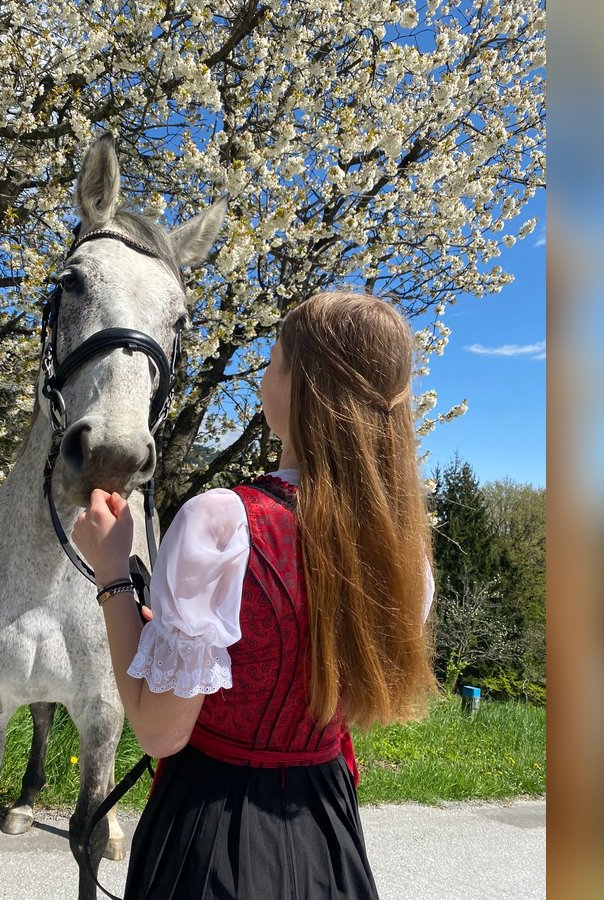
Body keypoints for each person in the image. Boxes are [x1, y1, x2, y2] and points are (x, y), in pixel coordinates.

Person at [72, 291, 438, 900]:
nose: (263, 376)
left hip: (213, 836)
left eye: (273, 361)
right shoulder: (403, 553)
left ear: (302, 388)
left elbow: (160, 732)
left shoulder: (220, 523)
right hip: (328, 825)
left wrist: (112, 568)